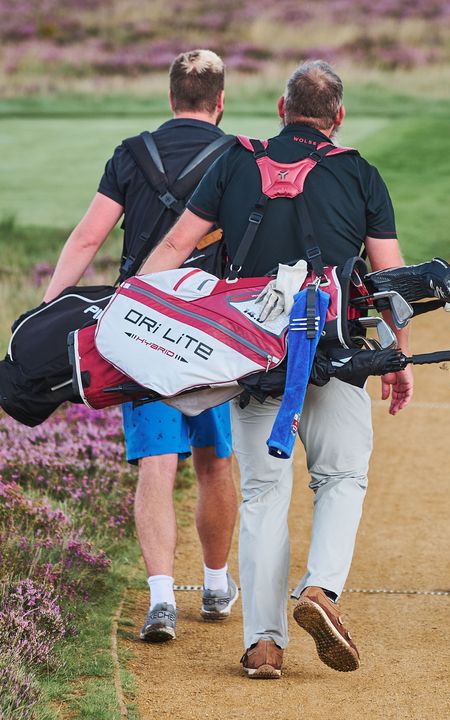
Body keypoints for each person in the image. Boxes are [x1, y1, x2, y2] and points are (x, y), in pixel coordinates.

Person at [139, 59, 412, 679]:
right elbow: (391, 278)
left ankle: (264, 644)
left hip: (255, 354)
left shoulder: (235, 162)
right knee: (341, 477)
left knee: (264, 495)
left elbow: (178, 246)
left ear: (281, 110)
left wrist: (132, 315)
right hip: (337, 354)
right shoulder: (359, 172)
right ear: (337, 118)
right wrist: (397, 353)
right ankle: (321, 590)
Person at [40, 49, 239, 643]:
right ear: (221, 102)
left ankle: (160, 601)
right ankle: (214, 583)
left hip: (144, 330)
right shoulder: (238, 155)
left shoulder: (131, 153)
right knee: (214, 461)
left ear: (170, 97)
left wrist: (48, 312)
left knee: (156, 465)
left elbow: (86, 238)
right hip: (213, 332)